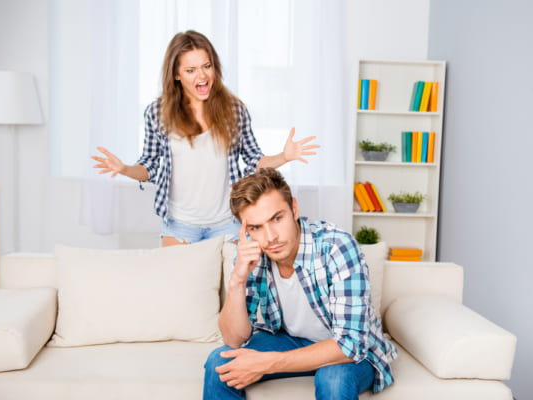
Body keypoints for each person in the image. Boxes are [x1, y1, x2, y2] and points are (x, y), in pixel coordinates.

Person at [91, 30, 318, 246]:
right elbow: (149, 166)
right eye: (191, 70)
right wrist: (124, 169)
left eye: (206, 66)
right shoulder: (157, 113)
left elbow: (254, 160)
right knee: (180, 276)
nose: (202, 76)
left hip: (227, 223)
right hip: (179, 226)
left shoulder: (234, 110)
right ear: (177, 75)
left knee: (236, 276)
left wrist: (284, 157)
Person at [203, 168, 397, 400]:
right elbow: (233, 339)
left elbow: (350, 344)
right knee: (219, 363)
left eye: (277, 218)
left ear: (294, 208)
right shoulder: (250, 252)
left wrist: (268, 363)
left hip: (349, 349)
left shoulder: (336, 247)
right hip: (292, 341)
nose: (270, 237)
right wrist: (237, 279)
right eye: (256, 227)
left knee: (333, 379)